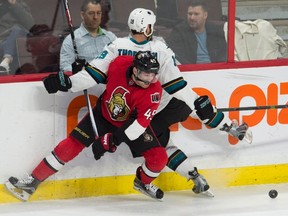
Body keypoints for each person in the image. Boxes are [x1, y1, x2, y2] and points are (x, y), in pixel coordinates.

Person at [58, 8, 252, 197]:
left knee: (173, 134)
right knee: (190, 117)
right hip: (153, 108)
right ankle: (217, 143)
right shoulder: (159, 48)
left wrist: (74, 76)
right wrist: (210, 113)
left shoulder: (116, 45)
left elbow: (95, 74)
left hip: (144, 107)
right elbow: (179, 87)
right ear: (147, 28)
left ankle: (197, 169)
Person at [5, 51, 167, 201]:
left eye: (153, 74)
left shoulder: (153, 91)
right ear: (135, 70)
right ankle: (31, 183)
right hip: (102, 115)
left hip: (129, 124)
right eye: (146, 74)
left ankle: (143, 182)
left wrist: (112, 141)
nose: (150, 79)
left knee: (159, 158)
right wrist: (77, 76)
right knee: (71, 144)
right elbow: (95, 74)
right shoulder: (119, 63)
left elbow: (137, 126)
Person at [60, 0, 116, 73]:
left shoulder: (111, 37)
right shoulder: (71, 40)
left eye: (98, 13)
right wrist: (81, 71)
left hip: (109, 81)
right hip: (85, 82)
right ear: (82, 15)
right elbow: (65, 67)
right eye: (91, 13)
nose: (95, 17)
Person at [166, 0, 227, 64]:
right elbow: (178, 57)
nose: (192, 17)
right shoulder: (179, 31)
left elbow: (223, 54)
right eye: (190, 14)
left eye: (196, 14)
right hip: (191, 70)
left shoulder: (215, 30)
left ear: (205, 15)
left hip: (215, 69)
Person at [0, 0, 34, 75]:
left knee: (17, 29)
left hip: (19, 41)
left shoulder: (21, 5)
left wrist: (14, 5)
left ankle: (6, 61)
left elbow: (30, 25)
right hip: (2, 40)